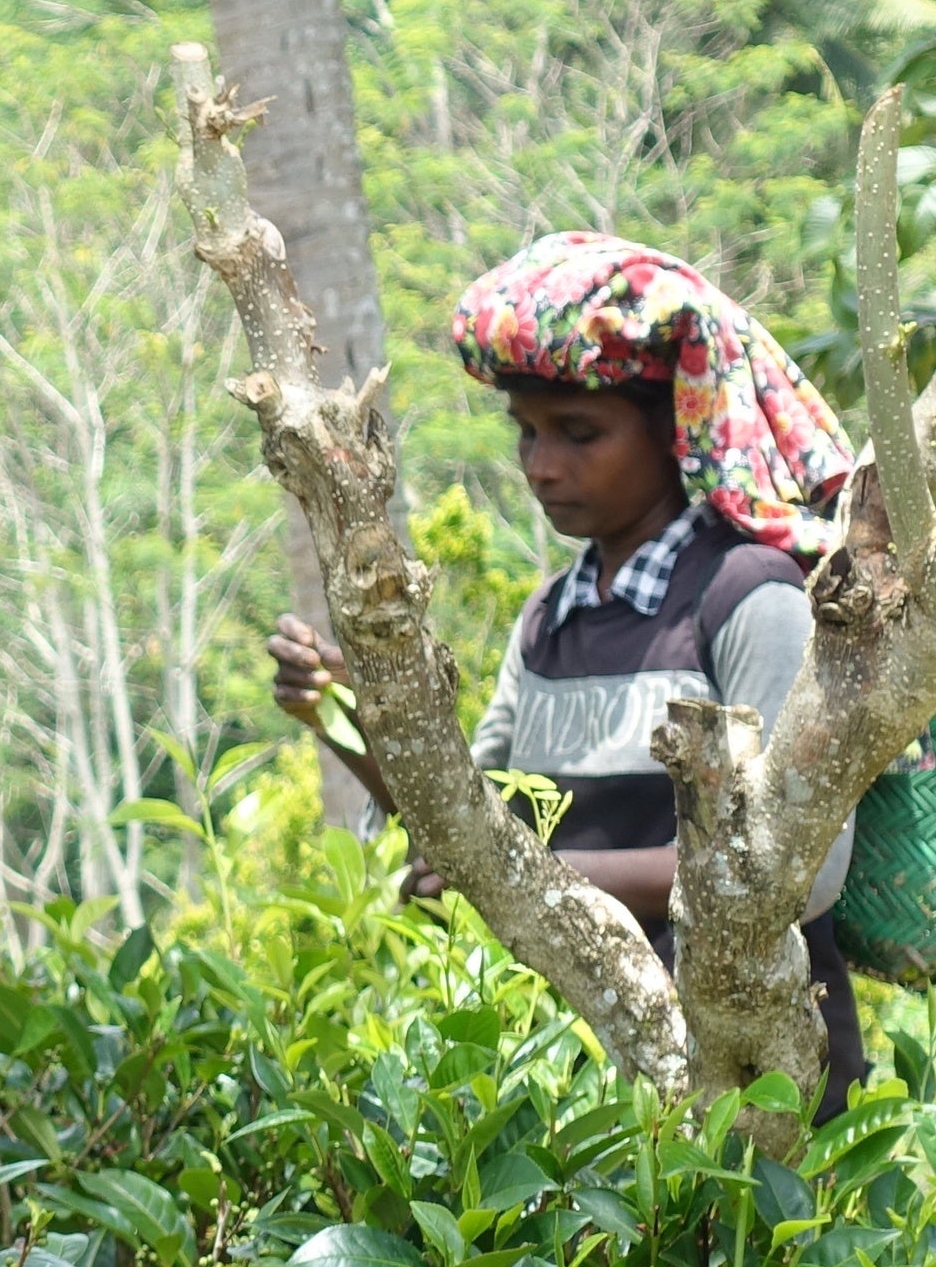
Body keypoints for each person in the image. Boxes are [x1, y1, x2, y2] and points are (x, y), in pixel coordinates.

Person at [269, 230, 872, 1104]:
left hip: (757, 1083)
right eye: (527, 434)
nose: (542, 467)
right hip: (587, 1073)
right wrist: (354, 716)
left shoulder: (749, 596)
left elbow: (798, 872)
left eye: (580, 434)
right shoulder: (548, 621)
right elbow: (467, 822)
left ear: (676, 429)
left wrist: (550, 883)